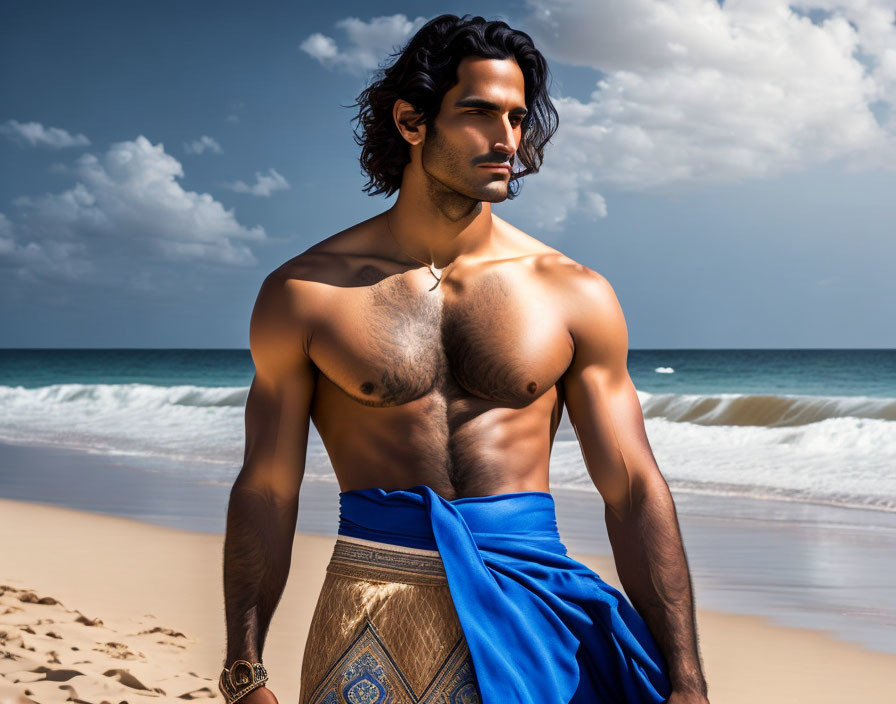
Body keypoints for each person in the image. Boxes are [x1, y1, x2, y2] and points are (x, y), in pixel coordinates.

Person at [220, 13, 709, 704]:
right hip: (371, 604)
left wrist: (686, 680)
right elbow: (267, 487)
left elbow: (632, 487)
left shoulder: (572, 292)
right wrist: (244, 670)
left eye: (516, 117)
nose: (507, 138)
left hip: (535, 611)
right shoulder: (306, 294)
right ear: (413, 122)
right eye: (480, 113)